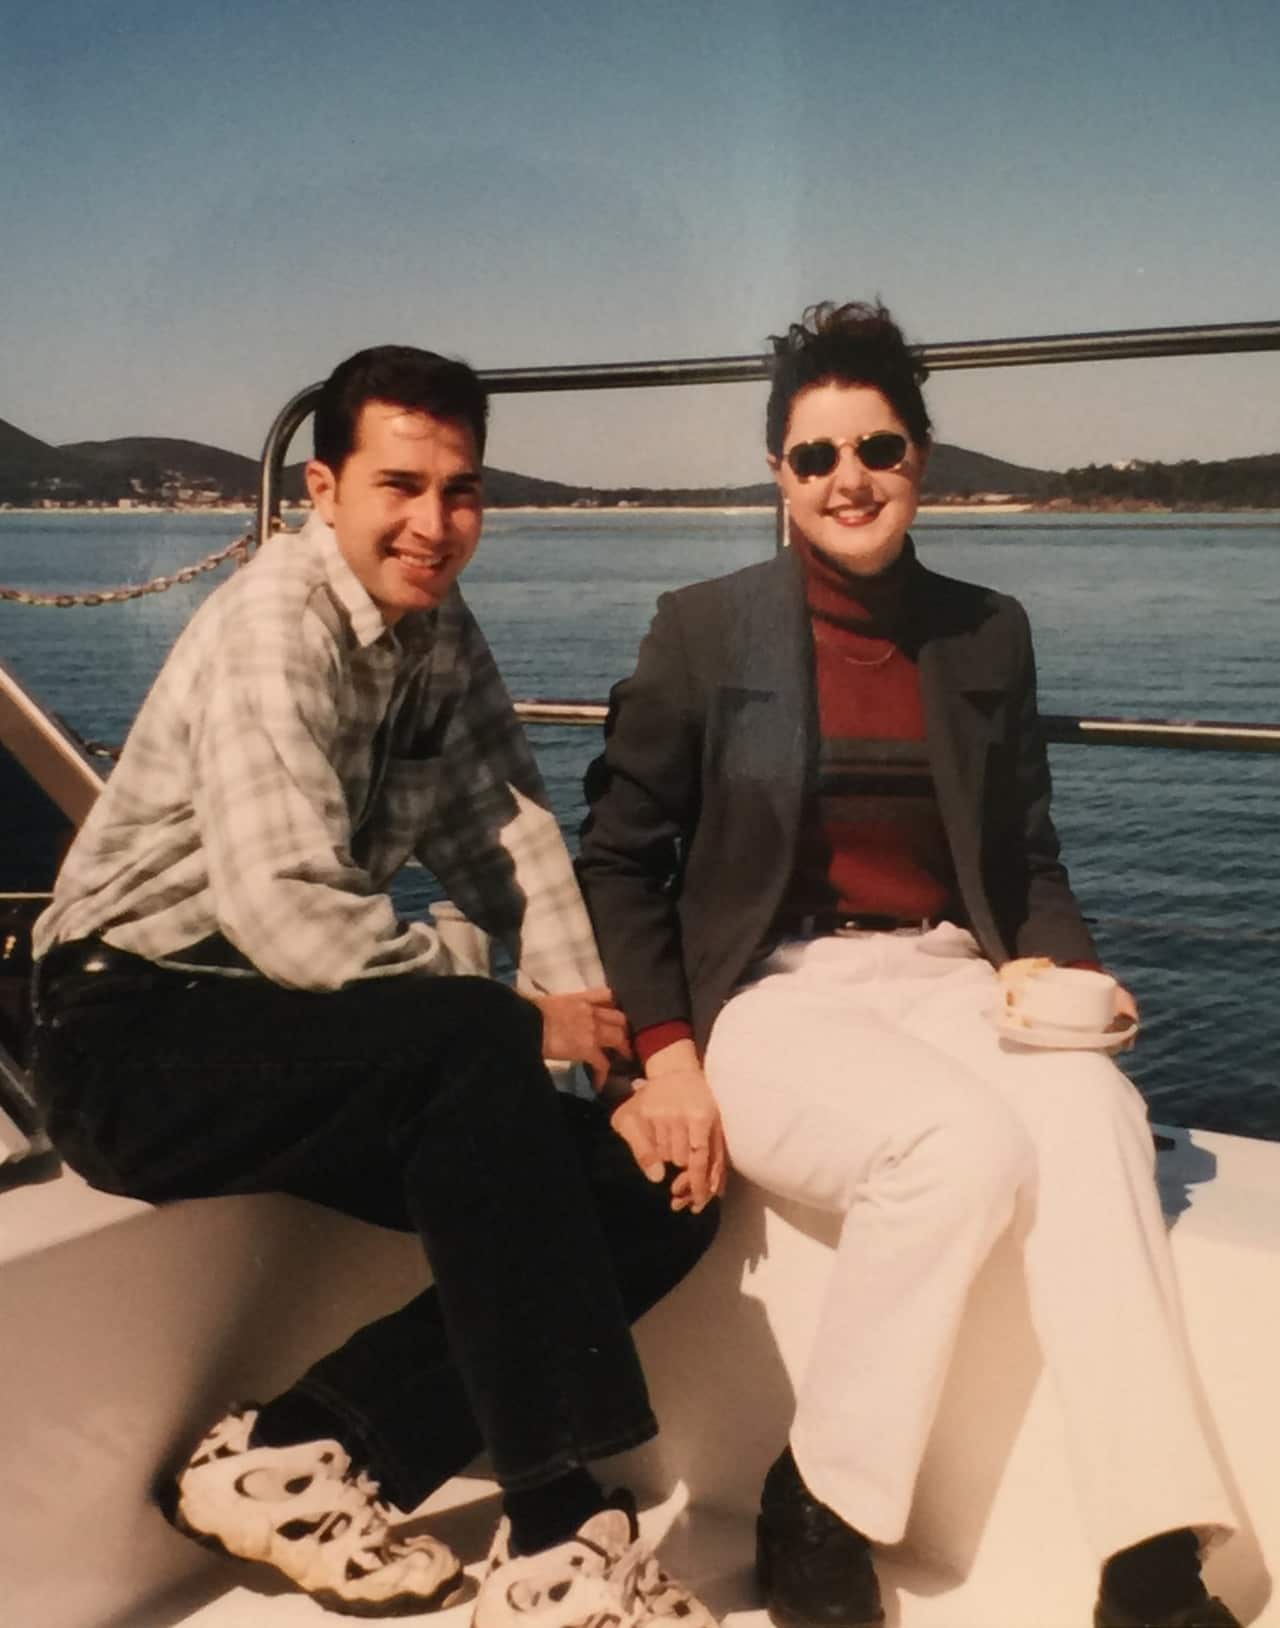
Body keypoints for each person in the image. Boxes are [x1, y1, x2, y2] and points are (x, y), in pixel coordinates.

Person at [30, 345, 719, 1624]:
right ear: (320, 487)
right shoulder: (269, 628)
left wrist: (606, 1064)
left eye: (461, 491)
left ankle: (293, 1451)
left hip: (289, 1040)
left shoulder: (436, 632)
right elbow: (293, 917)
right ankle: (555, 1539)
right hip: (126, 1035)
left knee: (646, 1189)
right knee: (470, 1035)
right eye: (400, 483)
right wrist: (517, 1018)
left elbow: (509, 833)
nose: (435, 521)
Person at [578, 302, 1241, 1628]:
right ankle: (817, 1501)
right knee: (957, 1149)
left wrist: (1075, 979)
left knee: (1091, 1115)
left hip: (950, 977)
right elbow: (617, 856)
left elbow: (1028, 855)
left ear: (922, 458)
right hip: (769, 994)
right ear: (778, 474)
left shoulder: (984, 629)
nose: (848, 480)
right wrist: (665, 1054)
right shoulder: (705, 631)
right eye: (814, 456)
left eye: (877, 447)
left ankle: (1153, 1551)